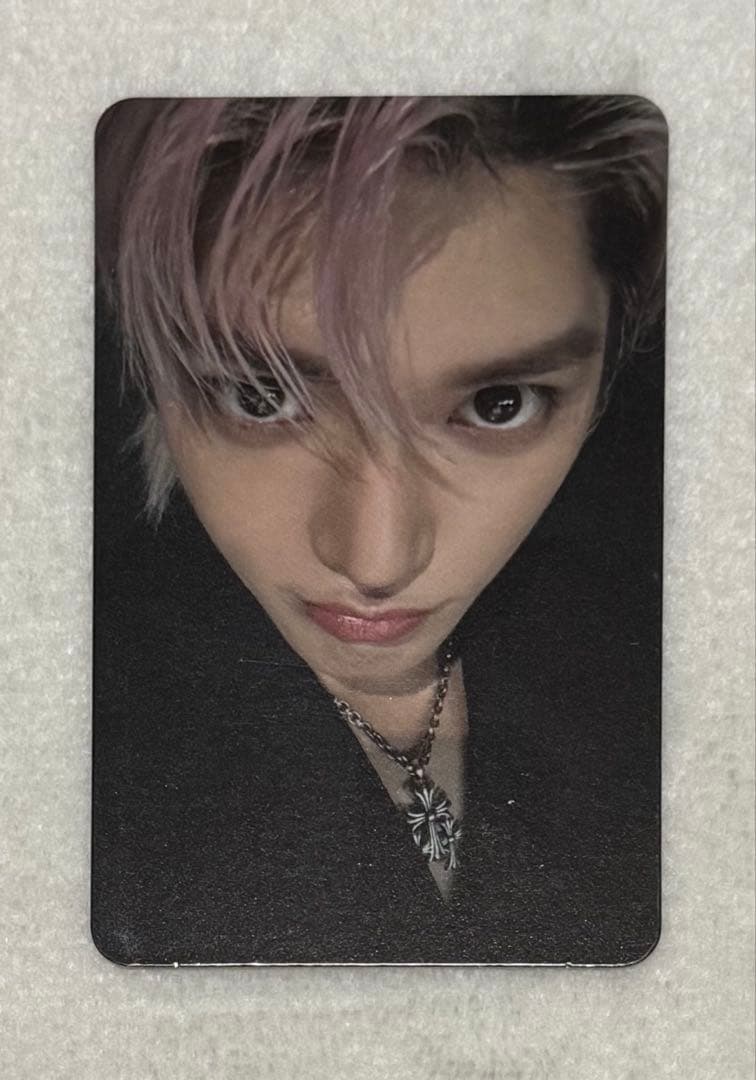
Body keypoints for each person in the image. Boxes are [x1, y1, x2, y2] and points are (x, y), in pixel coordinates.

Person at [92, 96, 667, 965]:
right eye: (259, 394)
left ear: (601, 387)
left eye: (498, 405)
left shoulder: (652, 656)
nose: (376, 559)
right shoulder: (79, 754)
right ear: (152, 373)